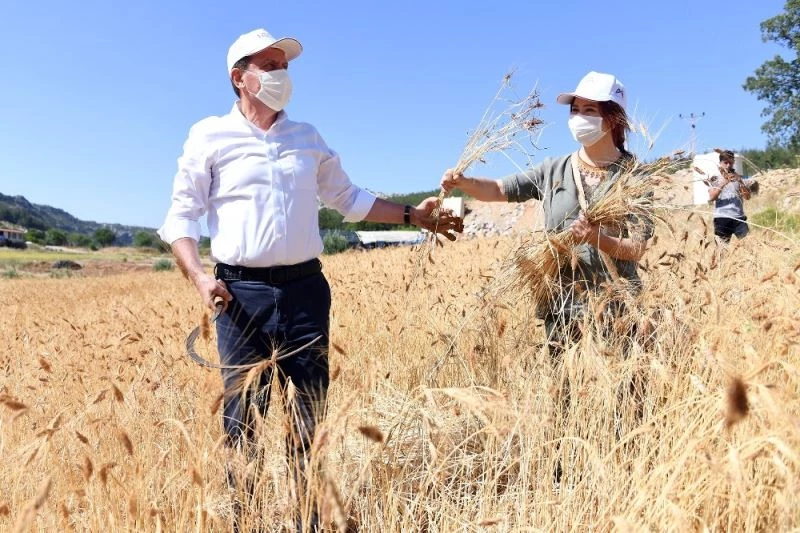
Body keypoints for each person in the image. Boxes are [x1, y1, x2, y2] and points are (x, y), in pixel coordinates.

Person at [157, 27, 462, 531]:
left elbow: (349, 199)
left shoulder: (307, 138)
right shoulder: (209, 136)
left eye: (285, 65)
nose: (282, 74)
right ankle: (248, 523)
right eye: (270, 65)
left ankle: (309, 522)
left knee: (309, 419)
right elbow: (180, 217)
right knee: (242, 422)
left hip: (305, 292)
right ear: (239, 78)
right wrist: (198, 277)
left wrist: (414, 216)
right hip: (239, 298)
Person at [440, 71, 652, 482]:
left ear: (612, 117)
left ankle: (622, 477)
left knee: (622, 398)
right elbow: (499, 189)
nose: (578, 118)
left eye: (589, 110)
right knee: (564, 397)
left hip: (617, 307)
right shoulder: (555, 170)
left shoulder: (635, 177)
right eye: (575, 110)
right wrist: (463, 182)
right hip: (561, 304)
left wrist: (597, 238)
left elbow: (637, 248)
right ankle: (564, 477)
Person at [708, 149, 753, 243]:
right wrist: (723, 183)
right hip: (722, 218)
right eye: (725, 163)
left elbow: (747, 197)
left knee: (749, 245)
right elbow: (712, 198)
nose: (728, 165)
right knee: (722, 249)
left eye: (731, 163)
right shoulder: (714, 178)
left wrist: (740, 182)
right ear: (720, 163)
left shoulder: (738, 177)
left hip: (739, 218)